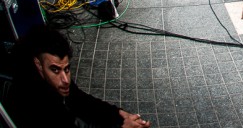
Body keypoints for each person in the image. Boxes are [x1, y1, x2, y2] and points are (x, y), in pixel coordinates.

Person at [7, 26, 150, 128]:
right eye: (55, 70)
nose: (65, 79)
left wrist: (120, 114)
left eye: (67, 69)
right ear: (38, 64)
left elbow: (80, 100)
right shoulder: (32, 101)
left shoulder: (56, 81)